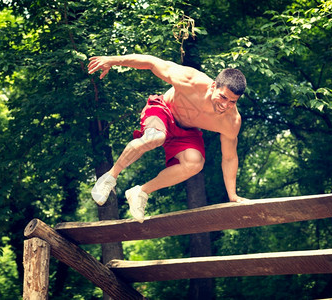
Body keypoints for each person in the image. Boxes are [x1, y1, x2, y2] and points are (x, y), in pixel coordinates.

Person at [88, 54, 247, 223]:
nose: (225, 105)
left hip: (186, 131)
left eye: (232, 101)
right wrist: (112, 60)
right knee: (155, 137)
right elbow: (152, 63)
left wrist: (233, 195)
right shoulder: (190, 80)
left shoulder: (231, 121)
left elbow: (230, 157)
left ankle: (141, 192)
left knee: (195, 163)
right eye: (223, 97)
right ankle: (110, 177)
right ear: (213, 86)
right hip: (163, 111)